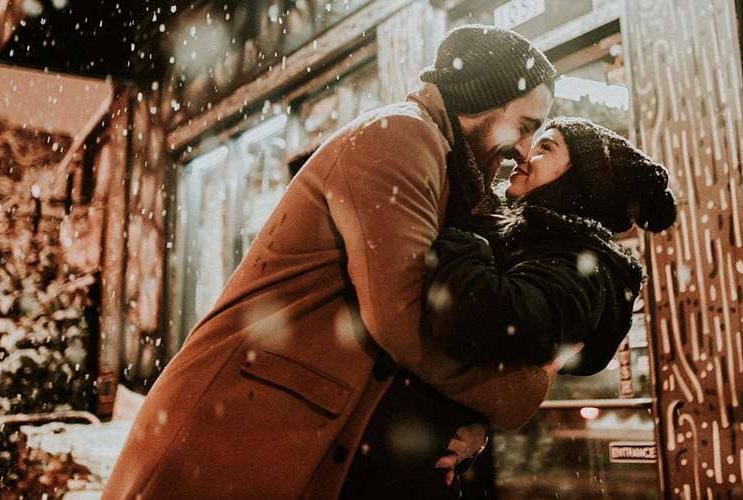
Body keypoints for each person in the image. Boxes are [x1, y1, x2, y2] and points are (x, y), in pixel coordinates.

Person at [103, 25, 560, 499]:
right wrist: (517, 392)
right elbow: (402, 319)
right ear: (483, 100)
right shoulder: (402, 137)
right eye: (525, 127)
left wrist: (469, 421)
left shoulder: (446, 166)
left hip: (276, 438)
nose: (525, 150)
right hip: (235, 432)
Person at [338, 117, 677, 498]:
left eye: (546, 148)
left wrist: (460, 226)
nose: (525, 154)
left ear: (579, 182)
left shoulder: (580, 268)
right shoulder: (537, 249)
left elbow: (479, 318)